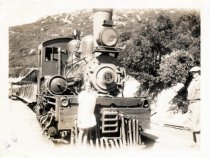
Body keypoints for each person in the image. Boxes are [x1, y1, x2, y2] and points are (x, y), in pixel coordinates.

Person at [187, 66, 201, 146]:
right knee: (192, 122)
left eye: (194, 72)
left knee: (197, 123)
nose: (193, 74)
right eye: (192, 72)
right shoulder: (193, 81)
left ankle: (198, 143)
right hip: (191, 103)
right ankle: (194, 141)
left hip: (198, 102)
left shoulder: (201, 80)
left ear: (198, 72)